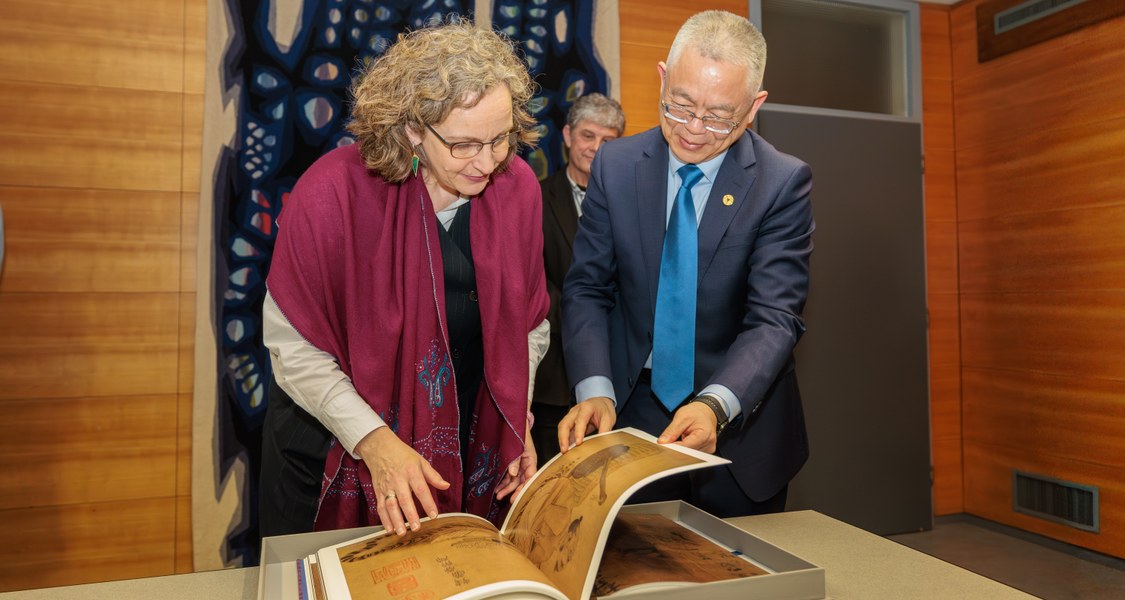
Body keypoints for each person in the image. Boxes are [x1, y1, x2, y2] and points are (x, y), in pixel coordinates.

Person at [259, 20, 550, 539]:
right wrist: (375, 442)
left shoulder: (518, 189)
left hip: (457, 449)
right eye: (463, 144)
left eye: (500, 138)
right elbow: (293, 348)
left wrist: (515, 417)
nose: (487, 162)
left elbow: (530, 326)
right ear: (412, 128)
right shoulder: (332, 193)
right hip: (330, 454)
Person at [558, 10, 814, 518]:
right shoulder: (616, 165)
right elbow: (588, 287)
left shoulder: (781, 183)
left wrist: (716, 405)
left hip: (740, 427)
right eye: (679, 106)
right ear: (662, 78)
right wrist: (594, 387)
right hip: (630, 418)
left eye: (720, 115)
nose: (694, 130)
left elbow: (773, 318)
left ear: (754, 106)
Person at [532, 93, 625, 466]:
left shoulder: (632, 204)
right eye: (588, 136)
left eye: (609, 141)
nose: (597, 148)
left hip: (615, 375)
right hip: (551, 375)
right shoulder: (535, 198)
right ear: (568, 136)